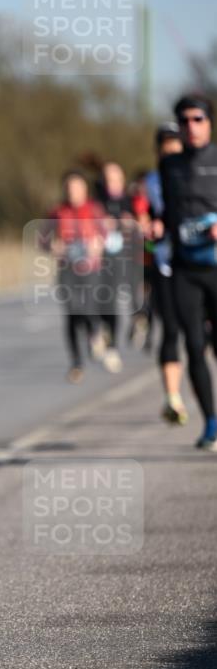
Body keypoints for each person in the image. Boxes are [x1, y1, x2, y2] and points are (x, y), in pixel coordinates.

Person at [159, 94, 217, 450]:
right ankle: (211, 422)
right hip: (185, 268)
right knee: (194, 346)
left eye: (198, 119)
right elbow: (167, 214)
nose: (191, 126)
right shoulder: (169, 165)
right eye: (184, 120)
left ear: (209, 122)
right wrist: (156, 226)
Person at [142, 122, 188, 424]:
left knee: (200, 336)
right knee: (170, 330)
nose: (170, 150)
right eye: (165, 146)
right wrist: (146, 227)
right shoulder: (151, 182)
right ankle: (173, 398)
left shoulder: (200, 175)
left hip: (199, 264)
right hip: (165, 263)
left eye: (175, 145)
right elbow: (140, 214)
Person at [43, 171, 105, 383]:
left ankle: (95, 334)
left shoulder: (94, 210)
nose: (73, 192)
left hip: (90, 268)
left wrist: (98, 244)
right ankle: (77, 363)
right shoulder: (57, 212)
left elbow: (107, 236)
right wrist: (53, 246)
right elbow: (43, 239)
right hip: (67, 269)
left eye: (77, 187)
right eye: (69, 188)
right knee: (71, 313)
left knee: (88, 308)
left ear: (85, 189)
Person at [94, 161, 140, 374]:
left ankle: (134, 327)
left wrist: (128, 223)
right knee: (103, 302)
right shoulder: (97, 202)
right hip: (102, 260)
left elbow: (142, 225)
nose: (112, 183)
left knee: (127, 300)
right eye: (108, 179)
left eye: (115, 178)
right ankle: (105, 339)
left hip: (126, 258)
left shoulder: (130, 201)